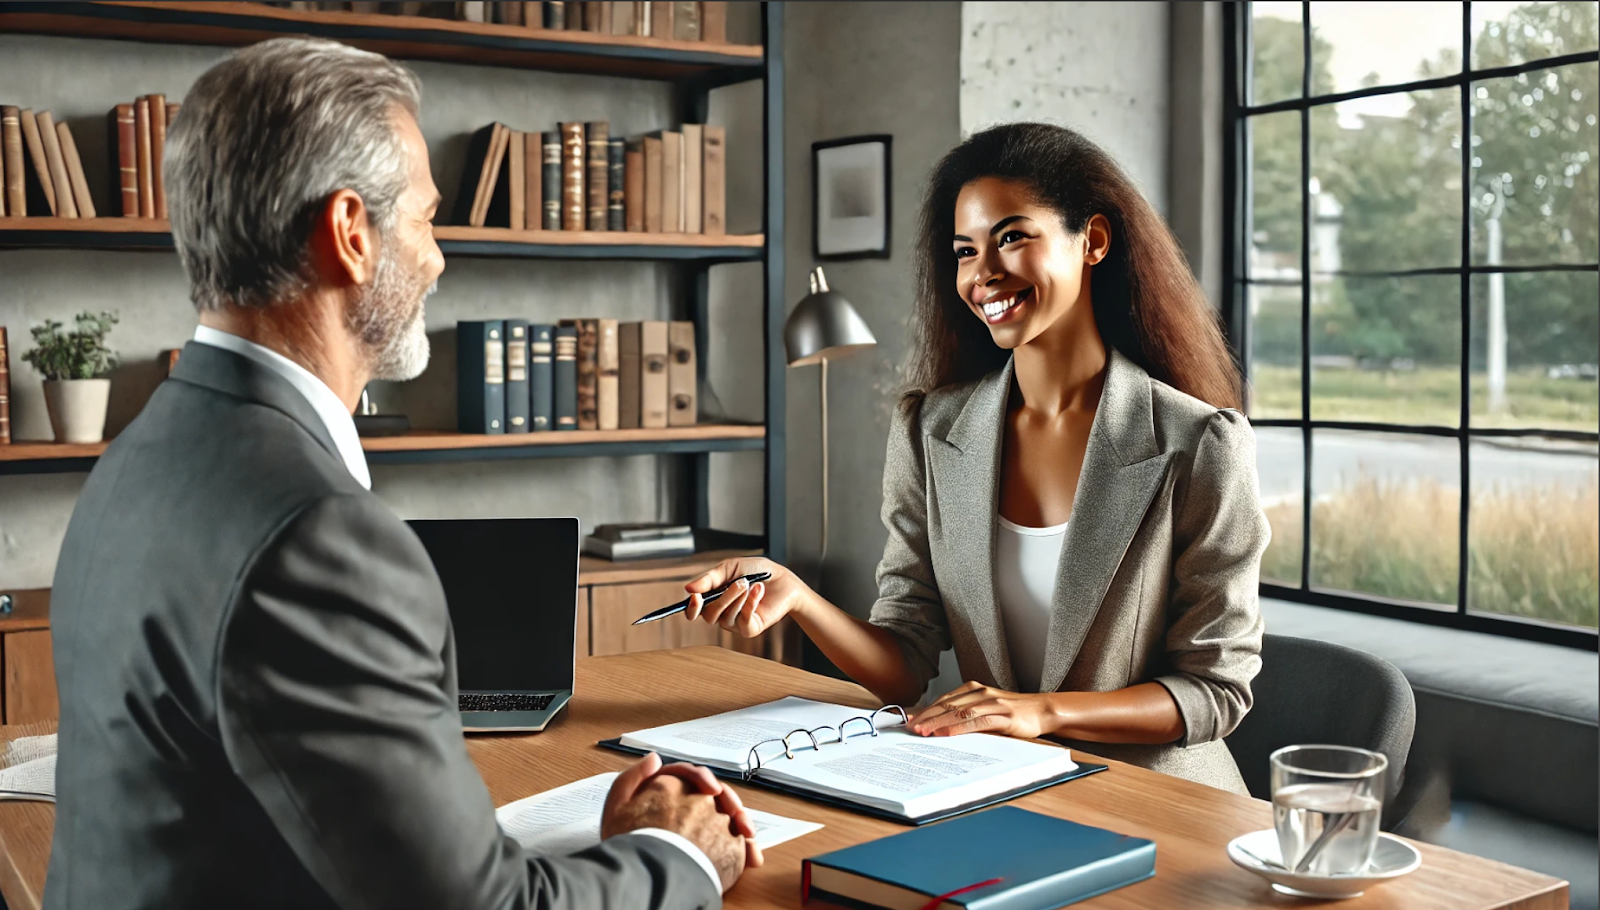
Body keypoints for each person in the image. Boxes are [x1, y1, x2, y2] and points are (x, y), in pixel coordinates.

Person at [46, 37, 755, 910]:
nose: (439, 257)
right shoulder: (315, 536)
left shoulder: (145, 448)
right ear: (350, 234)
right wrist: (671, 852)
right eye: (423, 219)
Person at [685, 122, 1269, 793]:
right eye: (965, 250)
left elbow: (1215, 691)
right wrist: (798, 599)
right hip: (992, 787)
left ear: (1094, 242)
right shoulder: (930, 431)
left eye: (1013, 237)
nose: (983, 272)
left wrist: (1042, 714)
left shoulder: (1200, 444)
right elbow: (905, 659)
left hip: (1159, 799)